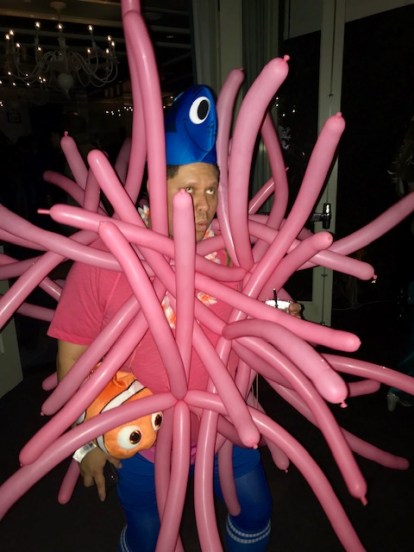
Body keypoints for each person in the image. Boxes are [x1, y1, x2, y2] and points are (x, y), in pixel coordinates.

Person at [48, 85, 299, 551]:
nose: (203, 206)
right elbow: (72, 356)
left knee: (255, 509)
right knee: (150, 534)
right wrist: (85, 442)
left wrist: (281, 315)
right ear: (153, 187)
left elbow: (248, 316)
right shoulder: (104, 258)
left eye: (211, 190)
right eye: (188, 189)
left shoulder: (233, 252)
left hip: (226, 424)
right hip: (142, 438)